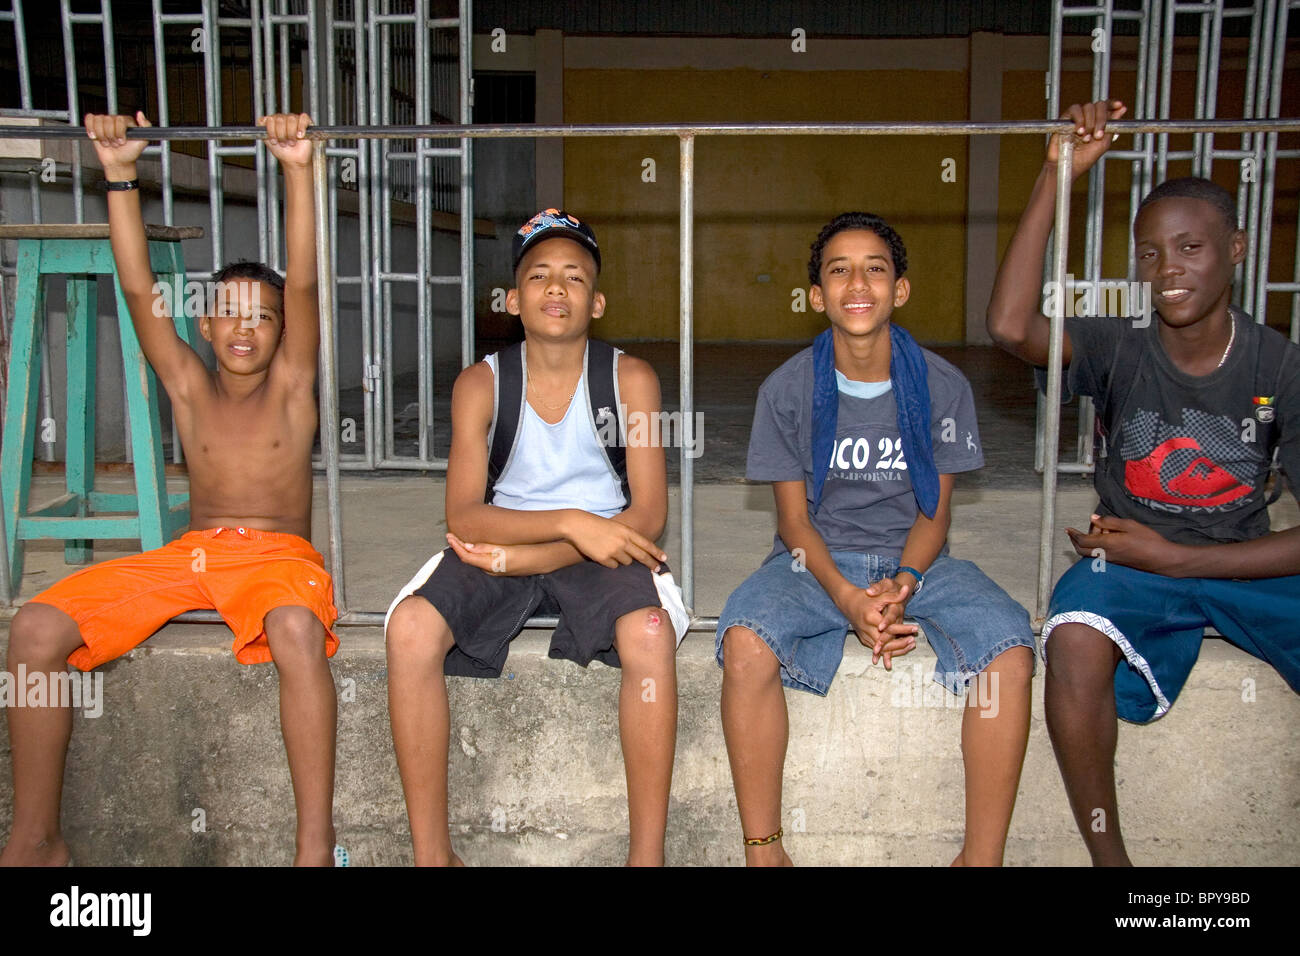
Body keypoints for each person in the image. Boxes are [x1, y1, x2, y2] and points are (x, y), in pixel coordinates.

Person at [0, 111, 341, 867]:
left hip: (279, 558)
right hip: (190, 556)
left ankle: (314, 848)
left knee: (293, 630)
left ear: (285, 332)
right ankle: (37, 839)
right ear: (204, 325)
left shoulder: (291, 385)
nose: (244, 329)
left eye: (262, 318)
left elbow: (308, 278)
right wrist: (120, 171)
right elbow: (135, 282)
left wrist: (295, 169)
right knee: (32, 632)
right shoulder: (187, 385)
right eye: (227, 315)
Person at [987, 100, 1300, 865]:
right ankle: (1112, 863)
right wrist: (1055, 177)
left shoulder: (1280, 365)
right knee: (1075, 636)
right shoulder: (1115, 347)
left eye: (1189, 248)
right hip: (1126, 564)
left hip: (1231, 559)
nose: (1167, 271)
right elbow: (1009, 326)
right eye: (1151, 254)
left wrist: (1178, 558)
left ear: (1235, 248)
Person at [717, 211, 1036, 866]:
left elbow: (934, 514)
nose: (857, 282)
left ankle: (980, 857)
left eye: (875, 269)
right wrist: (845, 597)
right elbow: (794, 525)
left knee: (1010, 649)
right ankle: (763, 849)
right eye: (839, 270)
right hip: (815, 559)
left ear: (900, 290)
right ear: (816, 296)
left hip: (916, 558)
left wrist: (906, 582)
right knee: (745, 642)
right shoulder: (787, 389)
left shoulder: (943, 386)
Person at [384, 209, 689, 866]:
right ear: (513, 299)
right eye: (540, 276)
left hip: (592, 550)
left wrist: (541, 553)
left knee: (649, 635)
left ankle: (647, 857)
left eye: (574, 277)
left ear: (597, 301)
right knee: (409, 630)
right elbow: (465, 515)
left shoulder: (629, 380)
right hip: (504, 539)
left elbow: (649, 515)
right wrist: (568, 522)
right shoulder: (481, 384)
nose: (557, 289)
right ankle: (432, 855)